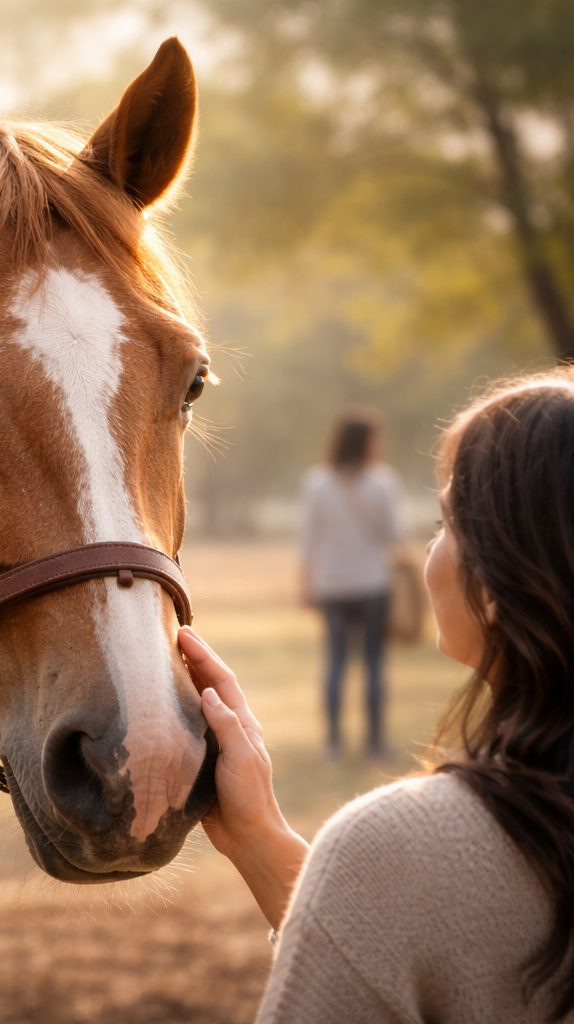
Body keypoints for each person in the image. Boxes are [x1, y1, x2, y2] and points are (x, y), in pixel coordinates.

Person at [180, 370, 574, 1022]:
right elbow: (406, 937)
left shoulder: (392, 851)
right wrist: (259, 836)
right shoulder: (400, 872)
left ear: (503, 586)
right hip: (357, 586)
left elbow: (405, 904)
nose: (431, 543)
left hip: (344, 587)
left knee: (348, 670)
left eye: (447, 521)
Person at [299, 406, 407, 758]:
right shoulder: (383, 484)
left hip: (331, 585)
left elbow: (307, 539)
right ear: (367, 442)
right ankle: (374, 742)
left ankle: (333, 743)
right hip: (373, 584)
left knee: (335, 663)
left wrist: (306, 583)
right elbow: (396, 535)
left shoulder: (317, 484)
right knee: (374, 663)